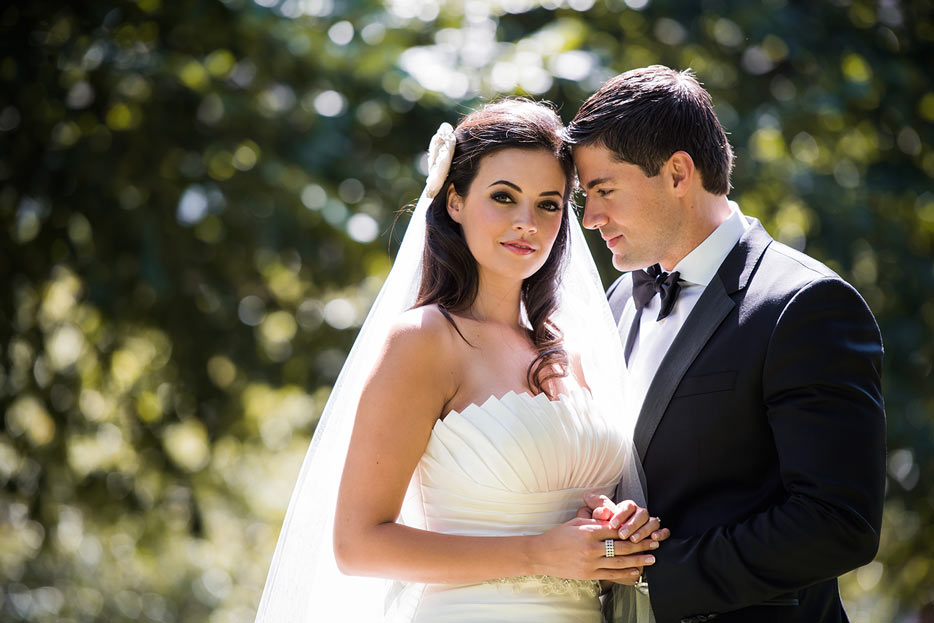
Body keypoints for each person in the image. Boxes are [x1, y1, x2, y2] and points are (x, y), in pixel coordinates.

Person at [254, 99, 667, 623]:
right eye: (503, 197)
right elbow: (357, 545)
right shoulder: (423, 341)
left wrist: (616, 530)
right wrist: (538, 553)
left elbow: (578, 515)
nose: (527, 223)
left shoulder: (570, 347)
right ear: (454, 201)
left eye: (549, 204)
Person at [566, 65, 886, 623]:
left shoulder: (805, 305)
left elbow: (839, 523)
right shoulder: (616, 302)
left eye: (604, 191)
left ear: (678, 172)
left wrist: (650, 581)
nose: (591, 218)